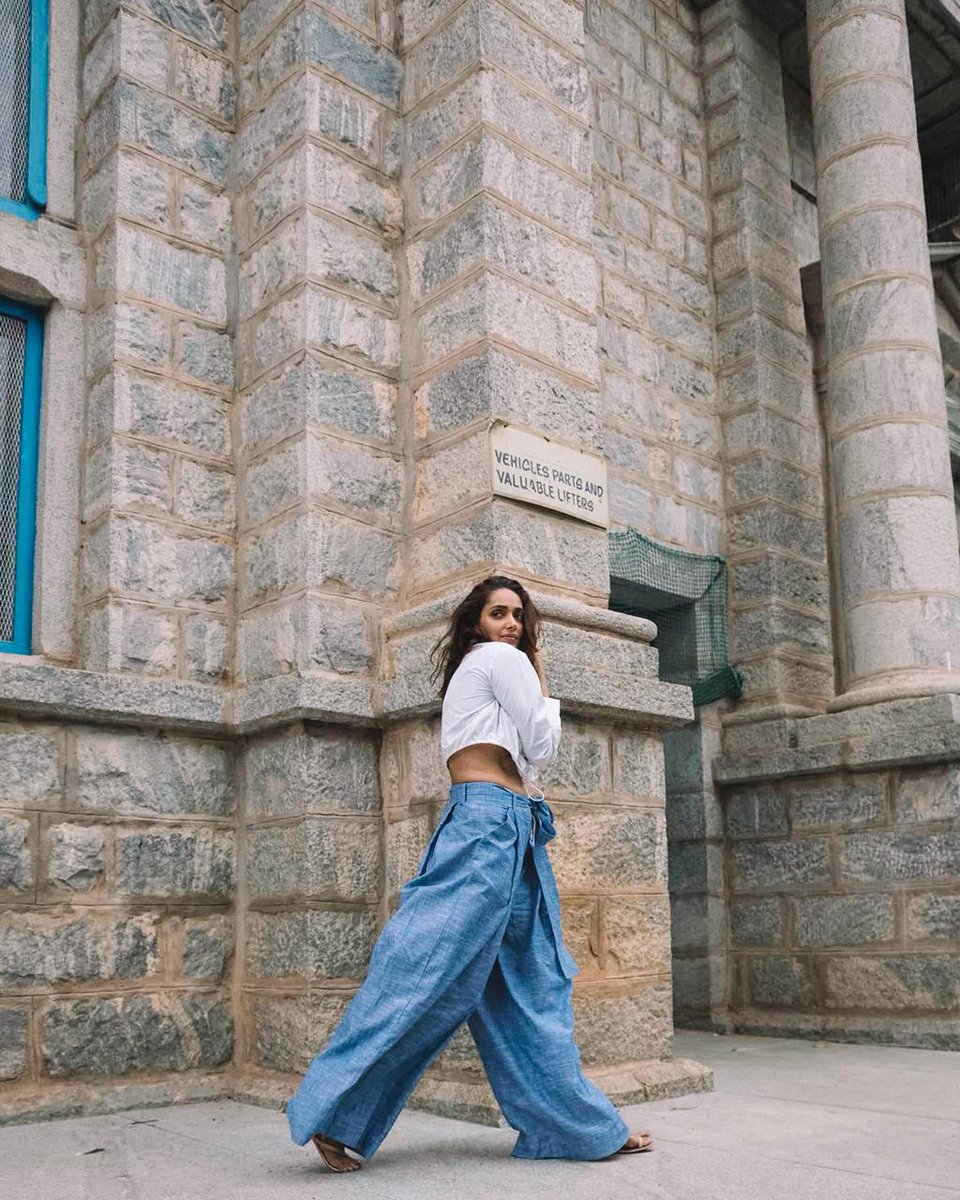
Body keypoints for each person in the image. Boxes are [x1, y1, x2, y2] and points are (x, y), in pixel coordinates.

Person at [286, 575, 653, 1172]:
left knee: (527, 987)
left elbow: (529, 750)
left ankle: (575, 1129)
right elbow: (541, 743)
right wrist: (537, 669)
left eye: (518, 616)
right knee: (422, 967)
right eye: (498, 613)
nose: (510, 623)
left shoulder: (481, 670)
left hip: (509, 827)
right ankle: (332, 1113)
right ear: (477, 624)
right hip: (487, 825)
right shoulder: (499, 660)